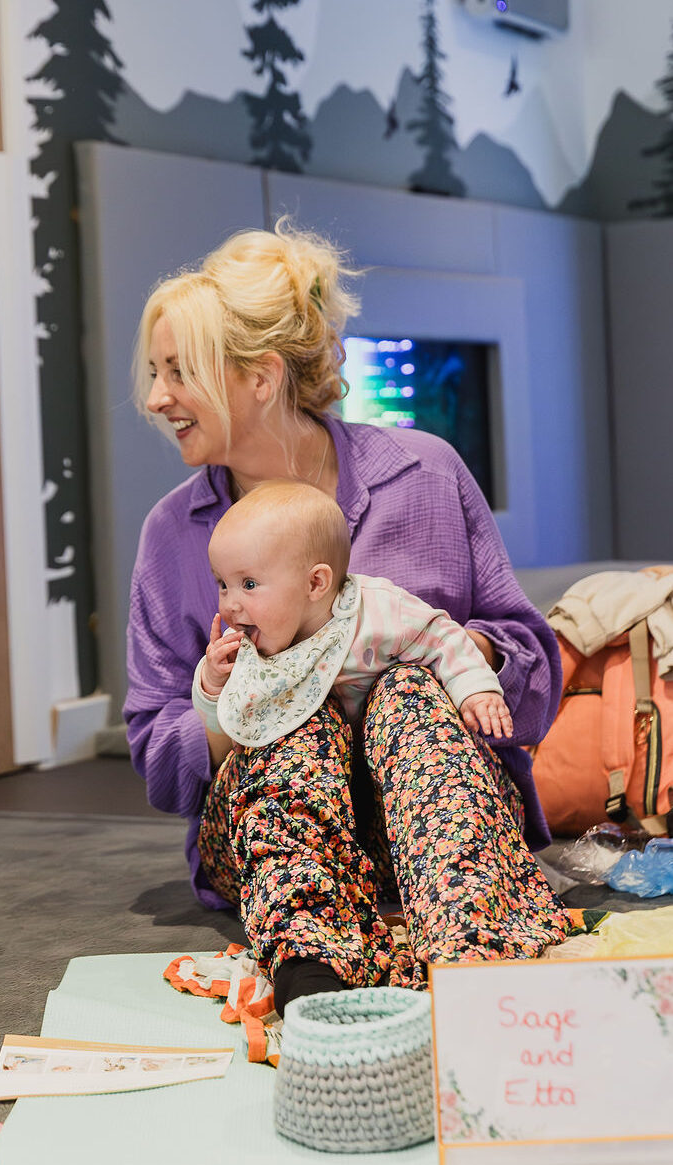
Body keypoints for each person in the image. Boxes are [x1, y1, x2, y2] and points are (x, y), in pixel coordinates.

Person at [124, 218, 572, 1014]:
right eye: (156, 372)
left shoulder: (427, 472)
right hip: (276, 844)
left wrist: (440, 650)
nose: (158, 398)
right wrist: (253, 694)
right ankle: (315, 985)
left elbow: (534, 671)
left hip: (442, 826)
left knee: (407, 690)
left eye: (180, 371)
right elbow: (159, 760)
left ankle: (481, 975)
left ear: (261, 378)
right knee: (293, 712)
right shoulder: (171, 533)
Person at [191, 479, 514, 750]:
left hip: (390, 759)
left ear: (315, 583)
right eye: (223, 584)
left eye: (248, 584)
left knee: (409, 684)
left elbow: (443, 638)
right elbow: (219, 729)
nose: (231, 604)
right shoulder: (242, 645)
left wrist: (476, 690)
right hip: (309, 775)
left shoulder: (377, 611)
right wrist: (213, 682)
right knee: (294, 736)